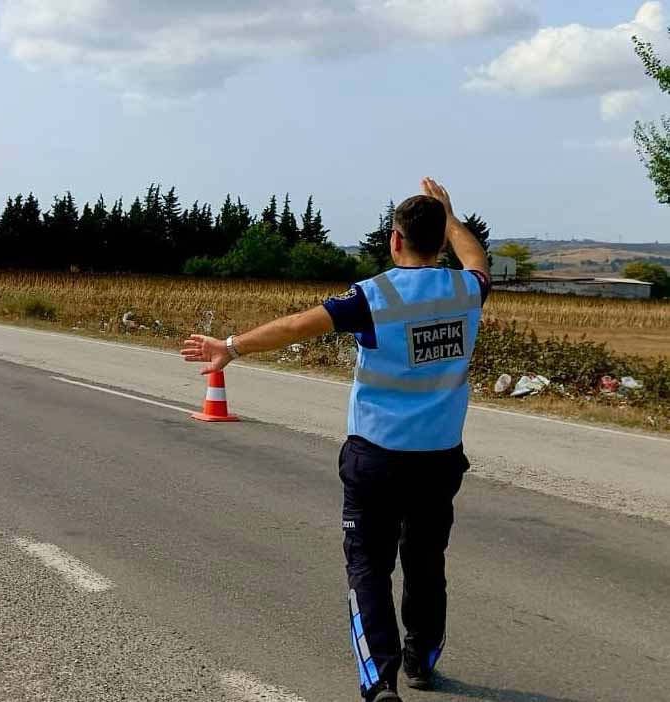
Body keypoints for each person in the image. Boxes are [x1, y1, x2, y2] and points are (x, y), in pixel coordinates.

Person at [182, 178, 491, 702]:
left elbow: (300, 326)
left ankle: (380, 682)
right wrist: (451, 215)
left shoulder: (375, 296)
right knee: (426, 560)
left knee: (369, 564)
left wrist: (230, 347)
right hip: (439, 458)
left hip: (377, 455)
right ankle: (421, 660)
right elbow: (476, 258)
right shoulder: (467, 291)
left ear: (394, 241)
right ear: (440, 242)